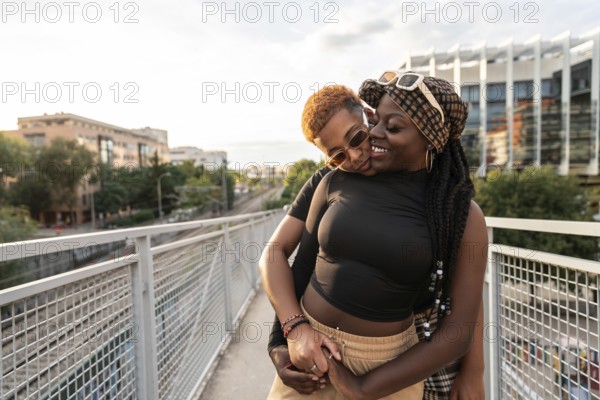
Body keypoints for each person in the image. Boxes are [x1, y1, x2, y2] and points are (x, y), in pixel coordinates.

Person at [260, 74, 487, 399]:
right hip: (311, 354)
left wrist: (473, 370)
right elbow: (301, 267)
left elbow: (462, 308)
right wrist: (283, 341)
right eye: (378, 121)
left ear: (429, 137)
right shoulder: (333, 179)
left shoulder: (454, 210)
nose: (371, 139)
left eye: (388, 127)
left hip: (387, 367)